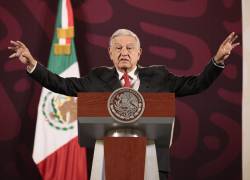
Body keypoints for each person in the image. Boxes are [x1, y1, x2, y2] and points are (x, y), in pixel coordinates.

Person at [8, 29, 239, 180]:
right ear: (110, 53)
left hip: (152, 161)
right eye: (118, 48)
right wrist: (33, 65)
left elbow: (196, 84)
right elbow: (62, 85)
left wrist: (216, 61)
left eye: (130, 48)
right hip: (106, 162)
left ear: (139, 53)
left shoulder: (160, 76)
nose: (124, 52)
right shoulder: (97, 78)